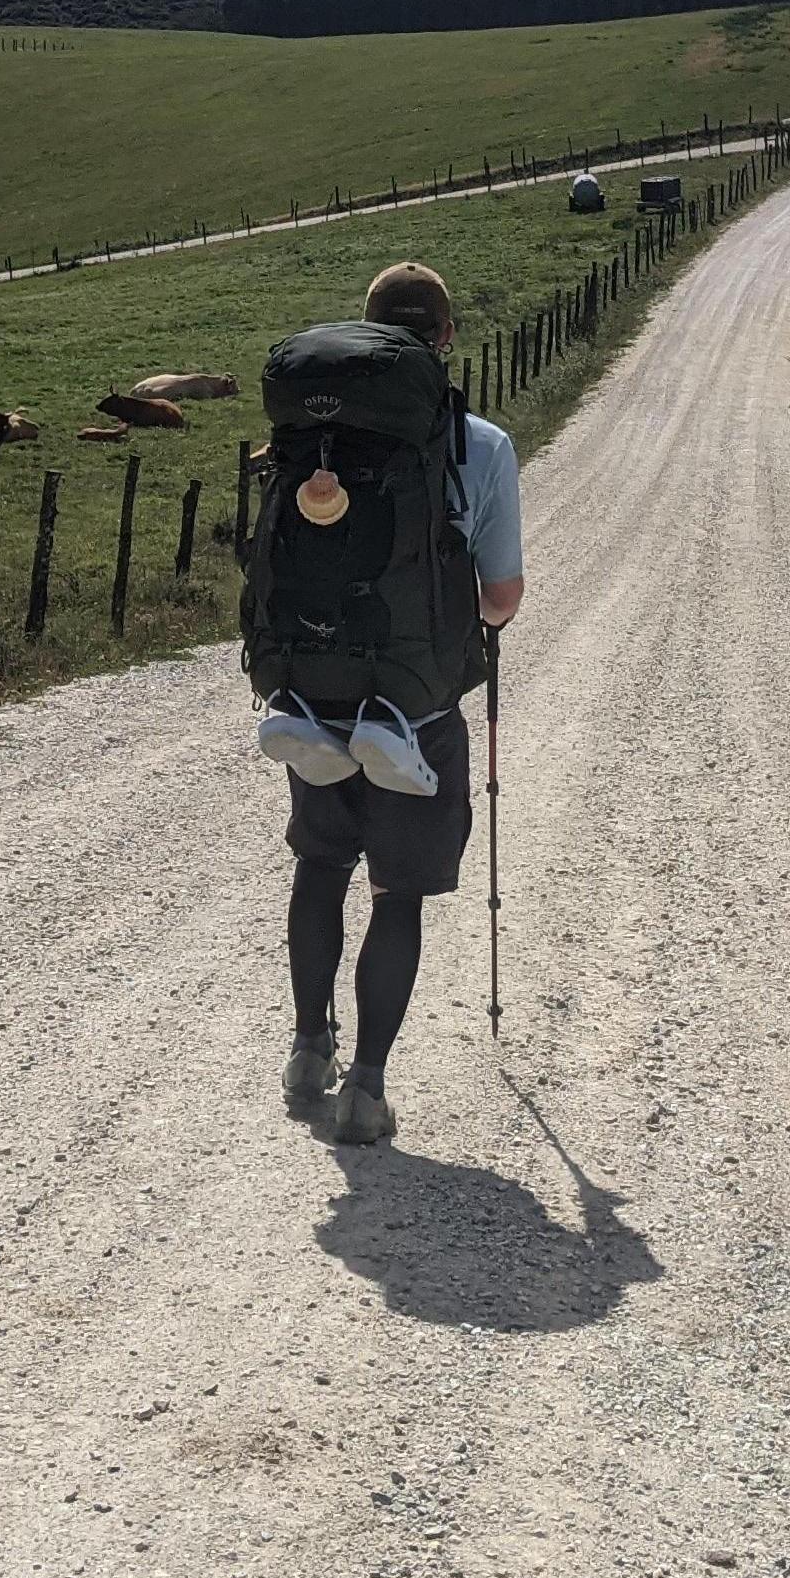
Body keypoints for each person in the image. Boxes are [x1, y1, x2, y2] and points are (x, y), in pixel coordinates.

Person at [278, 259, 523, 1148]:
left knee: (319, 864)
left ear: (369, 328)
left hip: (318, 691)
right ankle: (366, 1090)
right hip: (415, 707)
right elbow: (502, 596)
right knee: (394, 894)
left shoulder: (317, 436)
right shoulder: (480, 444)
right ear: (447, 338)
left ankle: (308, 1050)